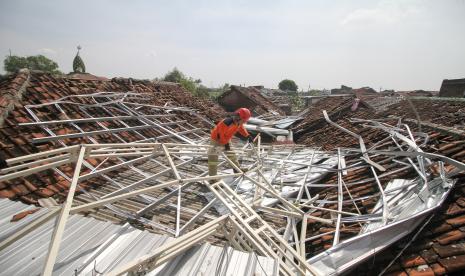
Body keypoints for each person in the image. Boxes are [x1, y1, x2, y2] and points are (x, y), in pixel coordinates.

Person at [208, 107, 254, 177]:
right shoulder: (227, 123)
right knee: (213, 159)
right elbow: (220, 135)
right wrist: (225, 144)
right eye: (244, 120)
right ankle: (213, 177)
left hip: (226, 139)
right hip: (217, 140)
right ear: (239, 117)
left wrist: (247, 135)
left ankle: (237, 170)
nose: (244, 122)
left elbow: (241, 128)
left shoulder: (238, 122)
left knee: (232, 155)